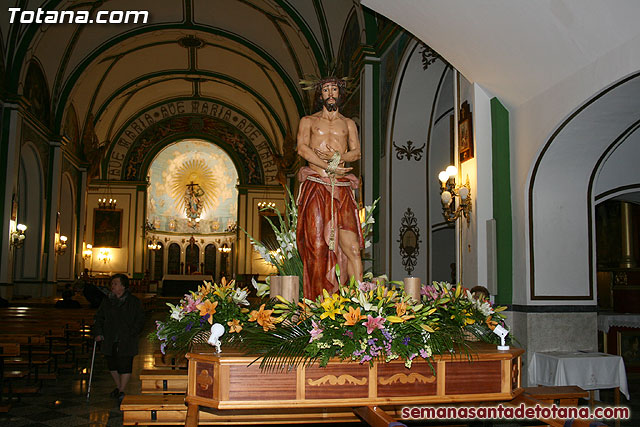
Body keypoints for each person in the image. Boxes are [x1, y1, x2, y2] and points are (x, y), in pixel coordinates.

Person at [296, 77, 364, 299]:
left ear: (340, 94)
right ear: (320, 95)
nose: (331, 93)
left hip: (341, 188)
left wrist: (338, 158)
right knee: (317, 247)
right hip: (317, 184)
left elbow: (357, 153)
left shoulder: (348, 124)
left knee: (352, 248)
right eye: (326, 90)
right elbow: (302, 149)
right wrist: (326, 165)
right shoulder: (308, 121)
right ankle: (317, 303)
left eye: (334, 89)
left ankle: (359, 301)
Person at [93, 274, 145, 403]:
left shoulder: (133, 301)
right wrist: (99, 332)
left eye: (116, 283)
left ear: (123, 286)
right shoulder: (107, 301)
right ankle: (119, 387)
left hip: (127, 338)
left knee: (125, 363)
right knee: (112, 364)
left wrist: (132, 332)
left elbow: (139, 320)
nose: (113, 286)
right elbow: (99, 317)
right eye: (112, 284)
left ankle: (121, 390)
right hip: (110, 337)